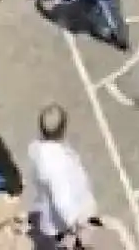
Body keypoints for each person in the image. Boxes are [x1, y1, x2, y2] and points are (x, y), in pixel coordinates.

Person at [29, 104, 99, 248]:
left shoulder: (37, 148)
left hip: (53, 215)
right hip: (64, 221)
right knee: (72, 243)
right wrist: (76, 224)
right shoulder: (56, 164)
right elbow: (62, 200)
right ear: (62, 129)